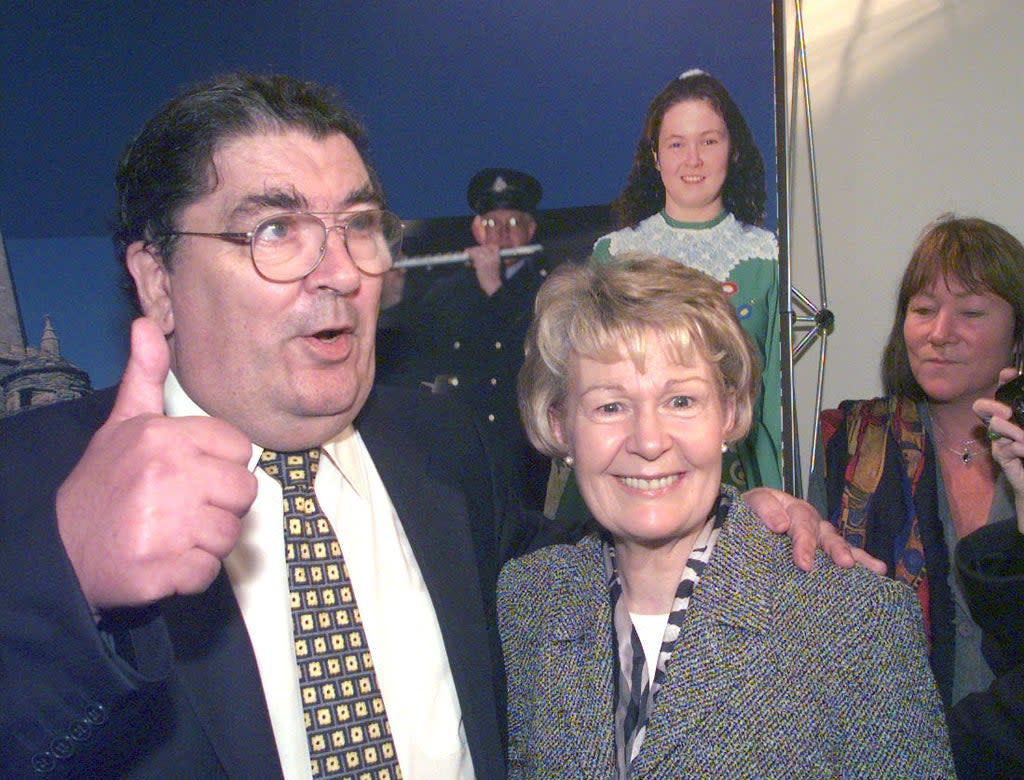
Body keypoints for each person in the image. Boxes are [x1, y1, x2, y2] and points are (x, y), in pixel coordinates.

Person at [0, 72, 866, 779]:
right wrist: (63, 588)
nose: (338, 271)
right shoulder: (36, 488)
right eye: (275, 229)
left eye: (360, 228)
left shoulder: (441, 445)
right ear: (155, 278)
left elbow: (565, 572)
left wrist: (722, 522)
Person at [499, 255, 952, 778]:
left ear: (731, 413)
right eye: (610, 406)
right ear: (560, 427)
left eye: (681, 400)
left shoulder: (854, 621)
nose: (649, 441)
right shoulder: (527, 602)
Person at [808, 214, 1024, 776]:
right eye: (923, 309)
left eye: (971, 312)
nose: (939, 332)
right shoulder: (847, 448)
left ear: (1018, 333)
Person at [376, 168, 553, 509]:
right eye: (490, 224)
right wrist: (392, 301)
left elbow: (529, 357)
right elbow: (412, 357)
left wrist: (494, 290)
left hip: (521, 449)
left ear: (530, 230)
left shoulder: (546, 287)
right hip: (462, 442)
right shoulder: (448, 290)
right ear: (475, 230)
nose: (501, 235)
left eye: (513, 224)